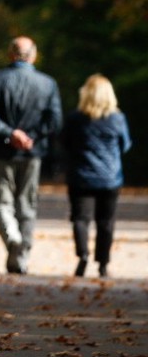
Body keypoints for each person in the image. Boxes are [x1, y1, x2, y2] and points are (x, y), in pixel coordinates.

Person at [0, 36, 63, 274]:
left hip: (2, 151)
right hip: (32, 152)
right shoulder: (47, 84)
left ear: (10, 54)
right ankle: (22, 255)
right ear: (33, 55)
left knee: (1, 202)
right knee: (27, 204)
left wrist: (10, 133)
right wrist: (30, 137)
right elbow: (54, 121)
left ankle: (14, 241)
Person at [61, 74, 132, 278]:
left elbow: (65, 143)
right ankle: (102, 263)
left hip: (81, 176)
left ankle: (83, 255)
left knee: (80, 219)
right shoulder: (117, 118)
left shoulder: (76, 118)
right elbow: (125, 145)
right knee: (106, 221)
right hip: (110, 178)